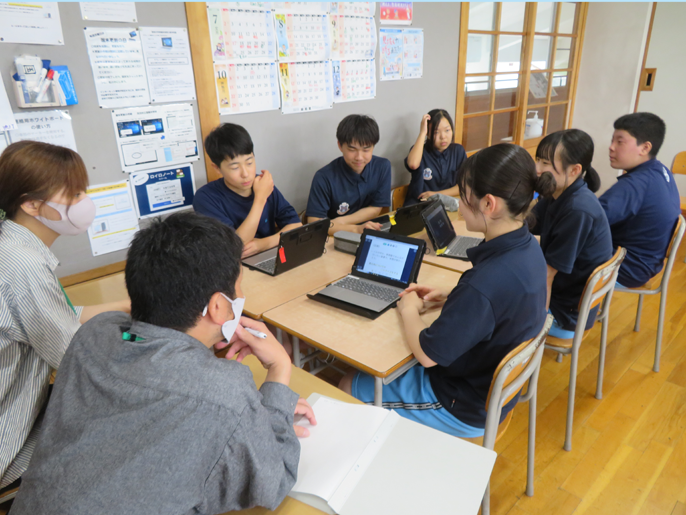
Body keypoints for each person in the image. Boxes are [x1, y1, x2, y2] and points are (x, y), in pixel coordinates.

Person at [10, 212, 316, 514]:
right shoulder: (225, 391)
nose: (242, 295)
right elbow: (273, 482)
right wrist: (279, 371)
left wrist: (252, 416)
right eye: (239, 287)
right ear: (219, 306)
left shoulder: (95, 333)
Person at [340, 144, 550, 437]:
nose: (460, 207)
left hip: (461, 404)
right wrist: (453, 295)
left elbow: (427, 355)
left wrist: (408, 310)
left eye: (463, 197)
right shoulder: (528, 247)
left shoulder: (483, 284)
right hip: (493, 389)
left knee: (349, 384)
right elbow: (502, 302)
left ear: (489, 204)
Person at [0, 141, 130, 490]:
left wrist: (127, 305)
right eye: (72, 194)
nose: (83, 203)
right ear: (31, 204)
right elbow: (74, 354)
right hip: (9, 437)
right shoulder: (23, 264)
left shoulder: (14, 246)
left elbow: (55, 315)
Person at [530, 129, 613, 339]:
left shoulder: (578, 210)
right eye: (537, 160)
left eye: (545, 164)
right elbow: (529, 223)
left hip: (564, 313)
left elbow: (546, 276)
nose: (537, 169)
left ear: (575, 170)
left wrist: (535, 332)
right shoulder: (559, 192)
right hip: (564, 297)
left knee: (493, 303)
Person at [193, 123, 302, 258]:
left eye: (249, 163)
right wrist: (260, 199)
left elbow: (296, 225)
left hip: (268, 256)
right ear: (217, 168)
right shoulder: (206, 197)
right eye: (234, 167)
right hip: (232, 268)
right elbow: (235, 247)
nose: (245, 173)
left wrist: (263, 244)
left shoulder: (263, 183)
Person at [599, 113, 680, 288]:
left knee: (556, 253)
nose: (611, 147)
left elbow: (589, 220)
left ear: (644, 148)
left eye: (620, 142)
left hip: (625, 268)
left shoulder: (634, 185)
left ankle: (560, 313)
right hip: (646, 263)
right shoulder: (660, 170)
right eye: (613, 140)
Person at [306, 115, 391, 235]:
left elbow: (376, 208)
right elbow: (315, 222)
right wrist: (354, 229)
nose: (359, 157)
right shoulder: (324, 177)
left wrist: (340, 221)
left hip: (366, 230)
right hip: (334, 235)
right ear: (340, 145)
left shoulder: (382, 166)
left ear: (373, 146)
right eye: (352, 149)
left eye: (366, 150)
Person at [403, 109, 466, 206]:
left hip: (448, 204)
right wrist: (422, 133)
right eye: (436, 132)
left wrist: (436, 195)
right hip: (419, 206)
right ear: (428, 134)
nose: (443, 136)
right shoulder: (419, 151)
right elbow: (413, 164)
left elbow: (463, 186)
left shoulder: (458, 151)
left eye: (447, 130)